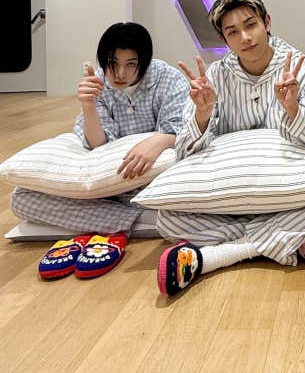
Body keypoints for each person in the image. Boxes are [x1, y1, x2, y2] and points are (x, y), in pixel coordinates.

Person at [155, 0, 305, 296]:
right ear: (224, 39)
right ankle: (293, 239)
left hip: (289, 190)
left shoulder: (299, 67)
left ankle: (215, 256)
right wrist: (202, 114)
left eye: (251, 25)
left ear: (266, 22)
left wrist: (293, 110)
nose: (245, 38)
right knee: (168, 219)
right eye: (233, 32)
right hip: (232, 193)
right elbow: (184, 152)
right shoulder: (216, 76)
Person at [11, 22, 189, 279]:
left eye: (131, 64)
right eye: (112, 63)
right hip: (109, 185)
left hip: (145, 182)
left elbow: (180, 131)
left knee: (178, 188)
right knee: (21, 199)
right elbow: (98, 145)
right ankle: (129, 223)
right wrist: (88, 107)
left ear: (145, 61)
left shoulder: (168, 79)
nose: (120, 73)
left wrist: (159, 141)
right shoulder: (98, 83)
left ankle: (96, 222)